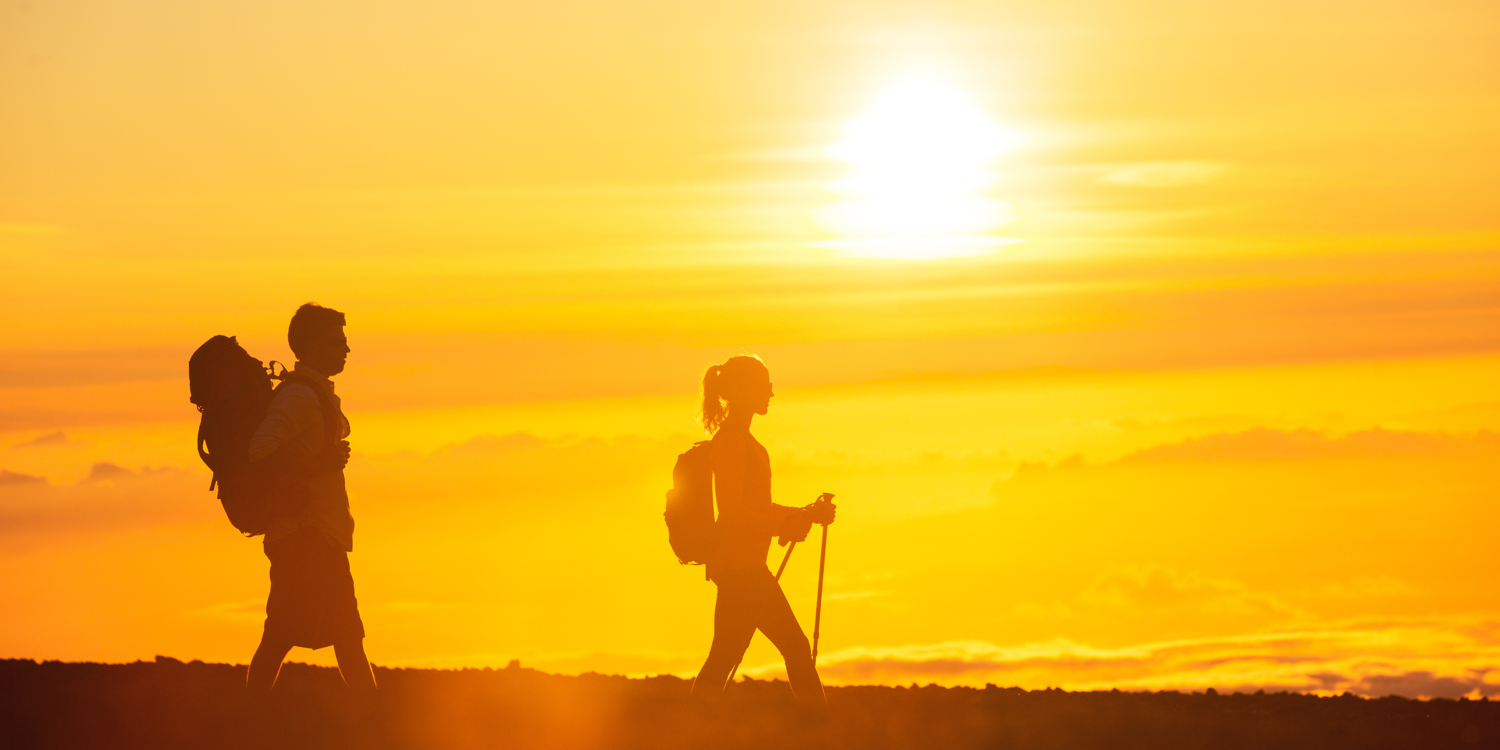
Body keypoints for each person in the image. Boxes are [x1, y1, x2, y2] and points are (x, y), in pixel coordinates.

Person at [243, 303, 374, 709]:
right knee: (314, 636)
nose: (346, 349)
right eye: (337, 341)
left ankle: (248, 720)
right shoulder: (299, 396)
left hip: (317, 537)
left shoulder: (311, 393)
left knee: (329, 636)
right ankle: (377, 725)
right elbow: (259, 452)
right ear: (313, 345)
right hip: (305, 538)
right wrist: (319, 464)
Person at [691, 355, 836, 707]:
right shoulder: (732, 442)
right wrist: (782, 526)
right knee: (794, 647)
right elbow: (731, 512)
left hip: (741, 568)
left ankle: (694, 726)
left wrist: (804, 514)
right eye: (765, 386)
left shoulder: (745, 442)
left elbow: (755, 507)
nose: (771, 393)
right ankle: (820, 726)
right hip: (742, 570)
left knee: (725, 655)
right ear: (742, 390)